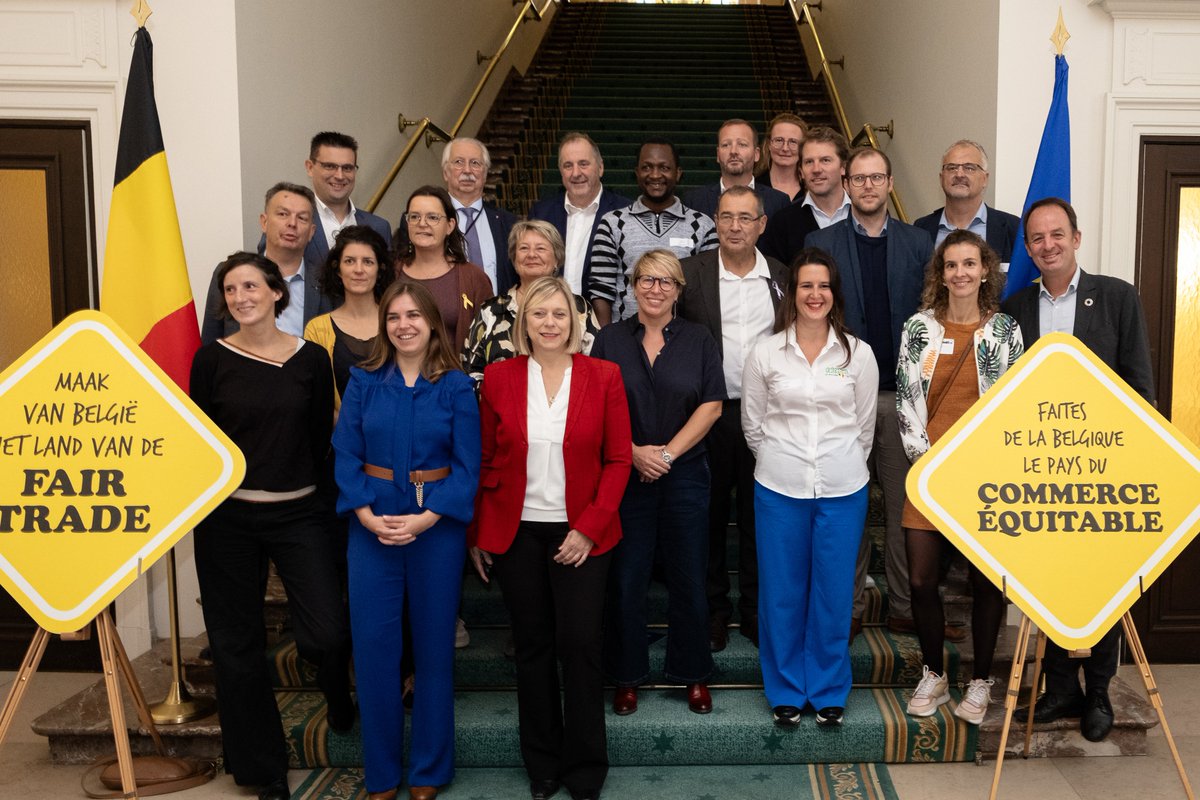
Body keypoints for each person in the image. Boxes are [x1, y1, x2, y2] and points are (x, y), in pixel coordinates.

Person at [190, 252, 351, 800]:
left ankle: (336, 688)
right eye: (230, 290)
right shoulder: (210, 360)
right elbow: (202, 441)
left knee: (326, 632)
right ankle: (265, 770)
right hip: (228, 519)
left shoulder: (311, 358)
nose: (240, 297)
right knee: (236, 647)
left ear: (277, 292)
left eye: (250, 286)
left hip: (300, 512)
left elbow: (318, 439)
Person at [469, 276, 632, 800]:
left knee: (580, 645)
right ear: (524, 322)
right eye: (538, 314)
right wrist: (478, 532)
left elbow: (618, 459)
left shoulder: (603, 375)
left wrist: (589, 527)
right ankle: (541, 764)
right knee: (533, 646)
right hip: (516, 531)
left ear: (575, 322)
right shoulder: (499, 377)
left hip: (582, 531)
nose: (549, 323)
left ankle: (585, 767)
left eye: (559, 314)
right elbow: (485, 459)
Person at [1005, 197, 1155, 743]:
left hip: (1103, 469)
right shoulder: (1015, 308)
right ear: (1028, 248)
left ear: (1076, 237)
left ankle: (1099, 691)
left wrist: (1130, 456)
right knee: (1049, 580)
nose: (1048, 245)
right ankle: (1060, 687)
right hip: (1040, 471)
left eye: (1057, 235)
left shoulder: (1116, 297)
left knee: (1102, 581)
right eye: (1037, 238)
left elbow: (1139, 385)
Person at [332, 281, 481, 800]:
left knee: (434, 649)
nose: (404, 325)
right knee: (374, 650)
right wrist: (366, 515)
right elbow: (345, 454)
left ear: (432, 322)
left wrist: (427, 518)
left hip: (436, 528)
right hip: (371, 526)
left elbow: (468, 466)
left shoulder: (456, 386)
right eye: (394, 317)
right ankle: (381, 773)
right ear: (384, 325)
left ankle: (429, 770)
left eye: (413, 315)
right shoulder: (363, 380)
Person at [806, 146, 939, 643]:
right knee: (849, 507)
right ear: (845, 183)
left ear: (889, 183)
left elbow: (931, 312)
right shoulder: (820, 242)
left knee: (906, 506)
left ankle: (905, 605)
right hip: (842, 395)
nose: (867, 186)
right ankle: (850, 605)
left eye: (876, 177)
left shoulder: (919, 242)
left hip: (902, 397)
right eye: (858, 178)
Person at [741, 248, 878, 728]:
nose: (815, 295)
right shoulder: (766, 353)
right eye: (806, 286)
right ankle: (784, 688)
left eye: (823, 286)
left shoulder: (858, 354)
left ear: (834, 293)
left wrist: (836, 463)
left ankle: (827, 689)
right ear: (792, 293)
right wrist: (785, 459)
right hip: (779, 487)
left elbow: (864, 428)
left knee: (834, 592)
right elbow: (753, 425)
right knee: (781, 592)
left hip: (843, 489)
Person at [896, 230, 1024, 725]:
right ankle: (934, 674)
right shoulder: (918, 328)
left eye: (970, 263)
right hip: (928, 475)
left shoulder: (1005, 331)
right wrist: (928, 466)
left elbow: (1014, 407)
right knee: (922, 581)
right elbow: (906, 401)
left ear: (985, 270)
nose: (961, 273)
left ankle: (980, 682)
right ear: (941, 274)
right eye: (951, 265)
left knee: (987, 584)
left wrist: (977, 467)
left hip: (985, 478)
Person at [592, 250, 724, 717]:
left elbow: (712, 405)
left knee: (688, 576)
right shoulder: (609, 339)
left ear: (679, 290)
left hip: (684, 474)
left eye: (666, 281)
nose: (655, 289)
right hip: (624, 476)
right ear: (632, 286)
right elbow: (594, 408)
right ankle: (627, 676)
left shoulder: (699, 338)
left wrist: (665, 455)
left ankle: (693, 673)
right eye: (646, 279)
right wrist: (633, 452)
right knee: (627, 578)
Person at [677, 186, 789, 652]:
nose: (735, 226)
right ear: (715, 222)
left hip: (768, 416)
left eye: (745, 218)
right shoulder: (690, 274)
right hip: (710, 413)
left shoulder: (782, 276)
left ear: (762, 225)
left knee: (759, 517)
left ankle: (757, 612)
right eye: (726, 217)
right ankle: (714, 612)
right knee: (709, 516)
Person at [587, 138, 718, 325]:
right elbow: (601, 290)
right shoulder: (612, 223)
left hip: (682, 337)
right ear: (637, 173)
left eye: (664, 168)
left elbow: (706, 294)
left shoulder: (703, 226)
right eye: (647, 167)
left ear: (678, 173)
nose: (655, 175)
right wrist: (607, 337)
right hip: (625, 336)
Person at [462, 220, 600, 385]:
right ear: (514, 259)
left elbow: (595, 367)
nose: (532, 255)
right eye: (524, 248)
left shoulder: (579, 308)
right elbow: (470, 371)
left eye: (540, 248)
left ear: (557, 258)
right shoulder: (491, 310)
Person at [202, 182, 323, 343]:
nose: (292, 223)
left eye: (302, 218)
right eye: (283, 214)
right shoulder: (229, 273)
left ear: (311, 232)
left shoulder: (325, 281)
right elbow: (210, 342)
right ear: (264, 222)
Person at [257, 131, 392, 266]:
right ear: (310, 167)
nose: (339, 176)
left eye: (347, 168)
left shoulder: (379, 227)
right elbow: (268, 271)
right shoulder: (290, 222)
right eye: (330, 166)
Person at [529, 132, 632, 295]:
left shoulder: (625, 213)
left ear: (600, 168)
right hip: (550, 307)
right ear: (561, 171)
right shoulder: (541, 213)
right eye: (568, 166)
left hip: (603, 310)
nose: (576, 173)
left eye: (583, 164)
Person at [394, 185, 494, 350]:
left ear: (450, 225)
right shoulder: (392, 273)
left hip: (456, 366)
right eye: (414, 217)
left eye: (432, 217)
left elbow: (488, 340)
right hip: (400, 366)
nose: (422, 223)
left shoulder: (473, 278)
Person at [304, 225, 392, 404]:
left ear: (379, 270)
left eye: (368, 262)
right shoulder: (317, 329)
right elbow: (316, 397)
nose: (358, 269)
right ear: (338, 269)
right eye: (350, 261)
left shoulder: (397, 321)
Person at [912, 139, 1021, 264]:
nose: (959, 174)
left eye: (969, 168)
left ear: (985, 179)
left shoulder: (1013, 228)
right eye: (951, 168)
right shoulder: (921, 229)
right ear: (941, 178)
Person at [757, 126, 850, 267]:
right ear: (801, 171)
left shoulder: (862, 214)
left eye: (825, 160)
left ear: (843, 167)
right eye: (809, 162)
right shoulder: (783, 222)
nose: (816, 169)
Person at [440, 136, 518, 294]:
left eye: (475, 163)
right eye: (458, 162)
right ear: (445, 173)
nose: (467, 170)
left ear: (485, 174)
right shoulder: (429, 220)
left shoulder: (507, 223)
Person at [682, 118, 791, 221]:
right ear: (718, 155)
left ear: (757, 154)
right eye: (726, 145)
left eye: (742, 144)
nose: (733, 151)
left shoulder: (779, 202)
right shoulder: (693, 201)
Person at [754, 112, 808, 201]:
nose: (785, 148)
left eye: (793, 142)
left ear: (803, 147)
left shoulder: (812, 188)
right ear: (769, 144)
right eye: (779, 140)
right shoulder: (754, 187)